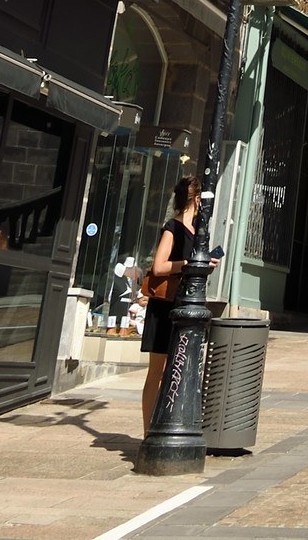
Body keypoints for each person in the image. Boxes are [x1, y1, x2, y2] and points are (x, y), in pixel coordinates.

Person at [140, 175, 200, 436]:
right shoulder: (172, 227)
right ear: (197, 199)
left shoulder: (198, 230)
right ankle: (148, 431)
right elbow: (159, 266)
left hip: (183, 306)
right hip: (164, 307)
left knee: (176, 369)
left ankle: (167, 425)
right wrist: (187, 265)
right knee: (158, 371)